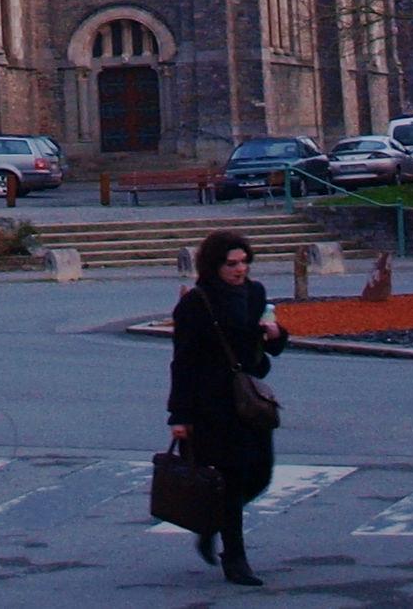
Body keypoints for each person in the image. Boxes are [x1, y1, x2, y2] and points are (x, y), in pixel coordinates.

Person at [168, 227, 289, 585]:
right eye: (231, 263)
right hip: (213, 404)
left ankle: (211, 525)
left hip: (250, 399)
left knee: (261, 473)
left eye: (244, 262)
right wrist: (180, 415)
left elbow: (266, 348)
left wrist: (276, 335)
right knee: (232, 479)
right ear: (214, 265)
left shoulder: (255, 294)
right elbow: (183, 362)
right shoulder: (196, 303)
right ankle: (235, 559)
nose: (240, 270)